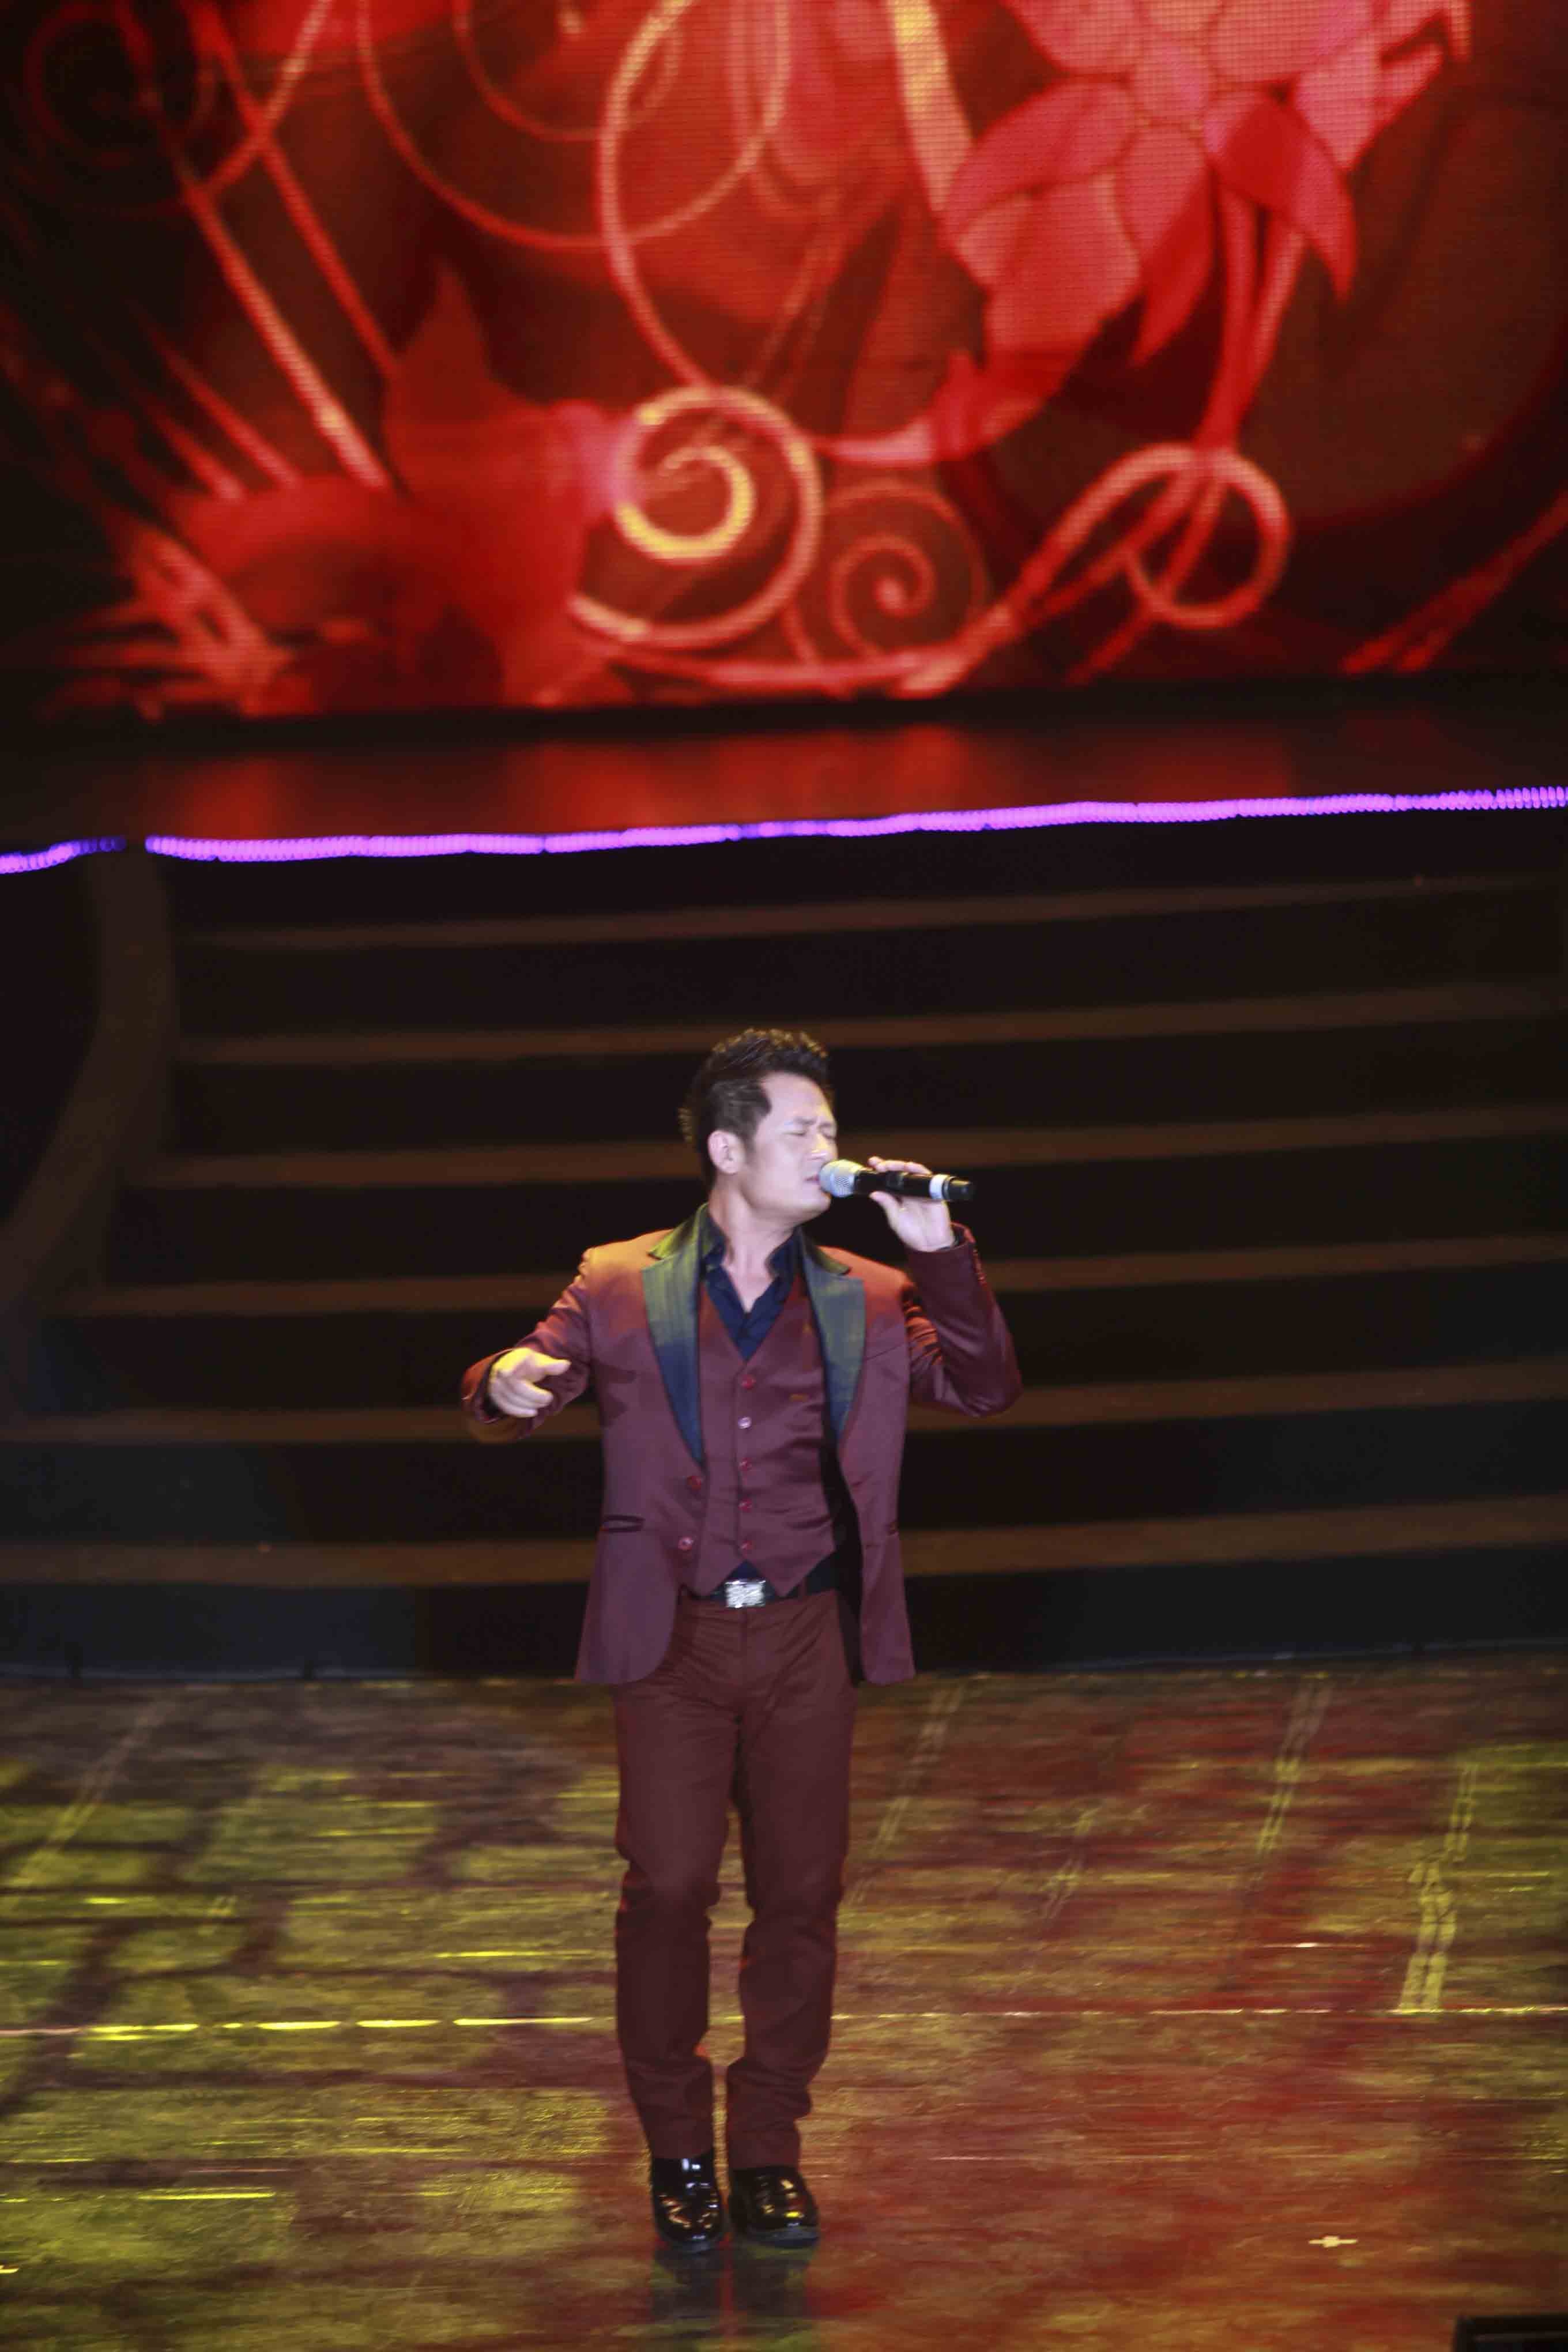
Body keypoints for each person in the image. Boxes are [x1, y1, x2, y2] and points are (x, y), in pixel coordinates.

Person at [460, 1028, 1020, 2251]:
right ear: (728, 1149)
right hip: (674, 1635)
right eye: (803, 1129)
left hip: (810, 1629)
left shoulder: (870, 1292)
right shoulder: (620, 1279)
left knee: (800, 1894)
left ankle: (768, 2146)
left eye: (832, 1128)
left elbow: (984, 1386)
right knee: (666, 1888)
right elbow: (526, 1375)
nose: (829, 1148)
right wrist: (504, 1380)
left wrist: (942, 1254)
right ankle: (677, 2149)